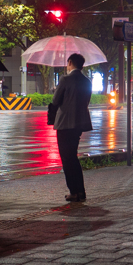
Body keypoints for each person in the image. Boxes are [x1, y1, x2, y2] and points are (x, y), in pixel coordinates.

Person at [53, 53, 92, 202]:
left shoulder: (65, 79)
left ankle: (74, 192)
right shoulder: (87, 81)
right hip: (79, 123)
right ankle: (80, 191)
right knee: (73, 156)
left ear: (70, 62)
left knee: (67, 158)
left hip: (64, 124)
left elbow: (56, 100)